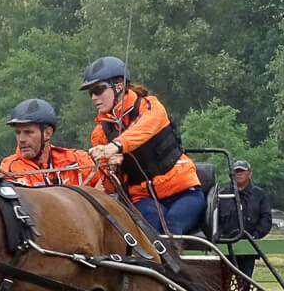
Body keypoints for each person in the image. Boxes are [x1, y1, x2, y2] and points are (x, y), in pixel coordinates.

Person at [82, 56, 204, 234]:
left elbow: (143, 129)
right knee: (150, 232)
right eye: (90, 93)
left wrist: (115, 146)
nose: (94, 97)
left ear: (119, 86)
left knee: (172, 226)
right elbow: (110, 186)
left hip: (183, 191)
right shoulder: (100, 133)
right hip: (143, 197)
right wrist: (112, 169)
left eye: (98, 90)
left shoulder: (151, 106)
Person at [0, 98, 101, 187]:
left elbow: (105, 182)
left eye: (28, 132)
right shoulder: (8, 170)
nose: (21, 139)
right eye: (18, 133)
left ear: (47, 133)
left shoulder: (78, 160)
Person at [217, 159, 272, 277]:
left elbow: (266, 219)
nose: (239, 174)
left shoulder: (259, 195)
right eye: (236, 171)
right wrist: (221, 237)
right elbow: (215, 219)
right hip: (226, 248)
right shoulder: (222, 194)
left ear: (249, 173)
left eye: (242, 171)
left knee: (245, 282)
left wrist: (256, 235)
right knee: (223, 282)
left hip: (249, 249)